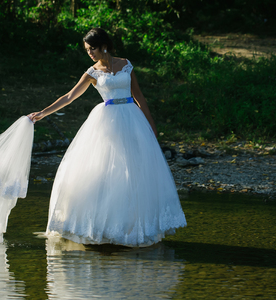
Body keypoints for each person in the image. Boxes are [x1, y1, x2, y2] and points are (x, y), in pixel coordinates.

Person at [28, 28, 186, 247]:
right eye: (87, 50)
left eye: (92, 48)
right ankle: (103, 227)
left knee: (135, 171)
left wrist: (150, 123)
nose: (90, 53)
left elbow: (138, 95)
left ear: (104, 45)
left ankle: (134, 227)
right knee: (108, 170)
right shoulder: (92, 73)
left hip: (132, 119)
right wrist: (42, 113)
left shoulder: (125, 64)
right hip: (107, 121)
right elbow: (69, 96)